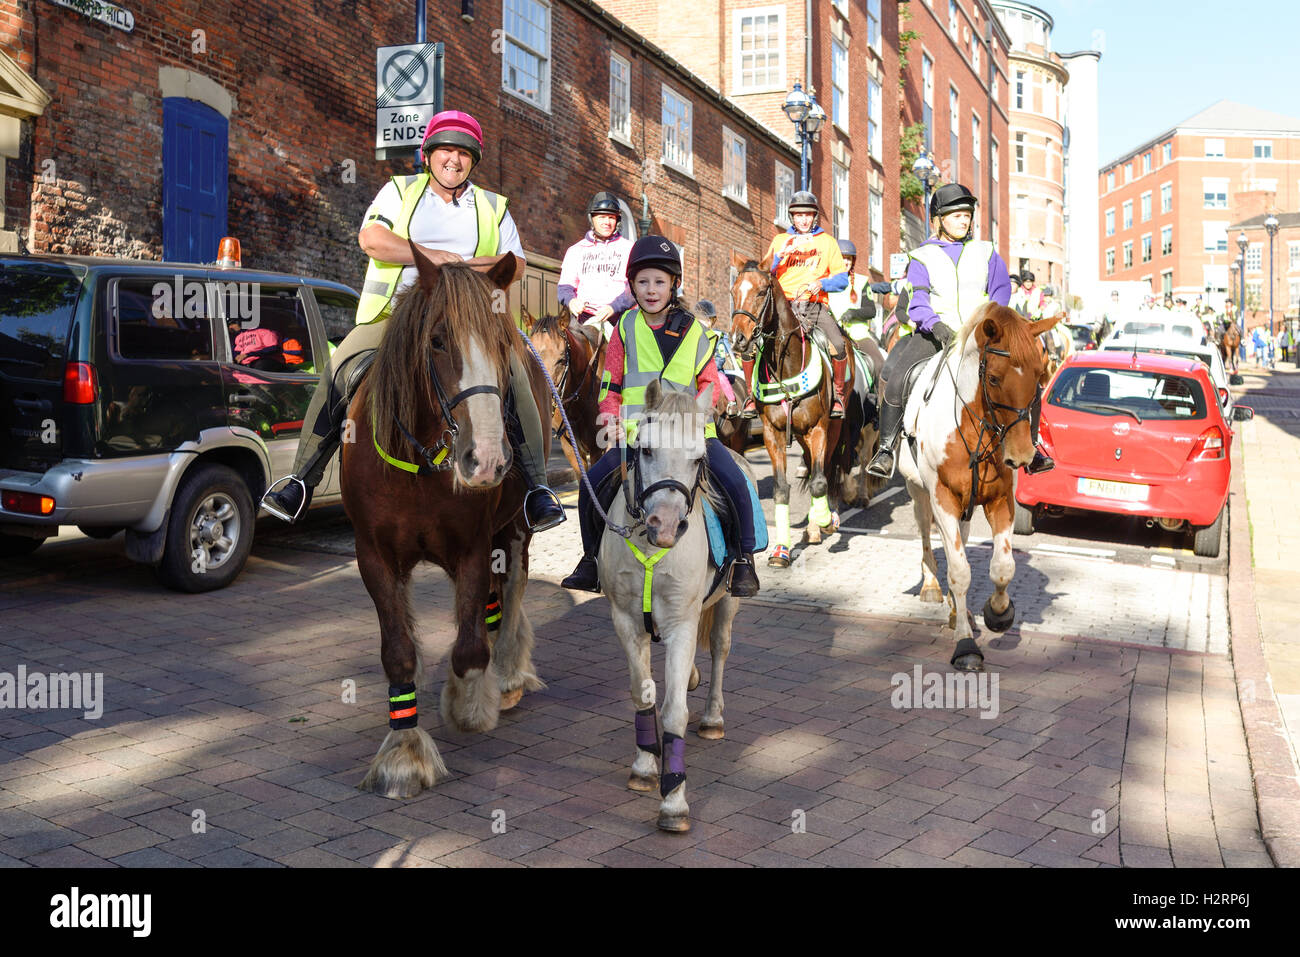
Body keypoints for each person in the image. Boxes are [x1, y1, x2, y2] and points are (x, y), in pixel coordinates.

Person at [260, 110, 564, 531]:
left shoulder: (494, 207)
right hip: (397, 313)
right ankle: (299, 480)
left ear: (473, 160)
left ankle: (536, 487)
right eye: (445, 151)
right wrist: (432, 256)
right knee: (341, 367)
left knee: (513, 371)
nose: (453, 161)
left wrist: (463, 269)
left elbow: (515, 264)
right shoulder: (398, 192)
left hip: (471, 318)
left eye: (463, 154)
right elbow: (372, 239)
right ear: (429, 156)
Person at [560, 236, 760, 597]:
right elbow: (612, 384)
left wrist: (699, 416)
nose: (651, 290)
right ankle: (591, 560)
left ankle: (743, 558)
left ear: (674, 285)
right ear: (632, 286)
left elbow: (710, 384)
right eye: (643, 282)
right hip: (639, 434)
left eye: (659, 282)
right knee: (591, 486)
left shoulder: (697, 331)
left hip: (690, 434)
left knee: (735, 482)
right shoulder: (624, 328)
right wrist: (610, 418)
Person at [866, 182, 1054, 479]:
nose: (963, 220)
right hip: (935, 334)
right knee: (897, 377)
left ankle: (1032, 449)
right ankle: (887, 448)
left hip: (982, 336)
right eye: (956, 216)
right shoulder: (921, 257)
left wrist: (990, 323)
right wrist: (936, 326)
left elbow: (1000, 292)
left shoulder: (987, 251)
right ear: (938, 220)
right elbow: (918, 300)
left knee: (1026, 381)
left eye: (967, 215)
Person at [742, 191, 851, 418]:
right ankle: (750, 397)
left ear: (814, 217)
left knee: (838, 345)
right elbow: (763, 274)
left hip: (813, 305)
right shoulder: (780, 241)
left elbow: (841, 280)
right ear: (791, 217)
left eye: (808, 215)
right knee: (749, 344)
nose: (803, 220)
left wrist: (820, 283)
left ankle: (838, 396)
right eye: (798, 215)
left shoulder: (827, 242)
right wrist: (777, 258)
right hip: (782, 307)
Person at [557, 192, 635, 337]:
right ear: (592, 219)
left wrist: (613, 307)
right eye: (602, 217)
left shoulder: (630, 249)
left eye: (611, 217)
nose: (607, 222)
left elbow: (634, 287)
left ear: (617, 220)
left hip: (618, 316)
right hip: (583, 319)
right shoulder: (575, 250)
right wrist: (572, 301)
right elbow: (564, 287)